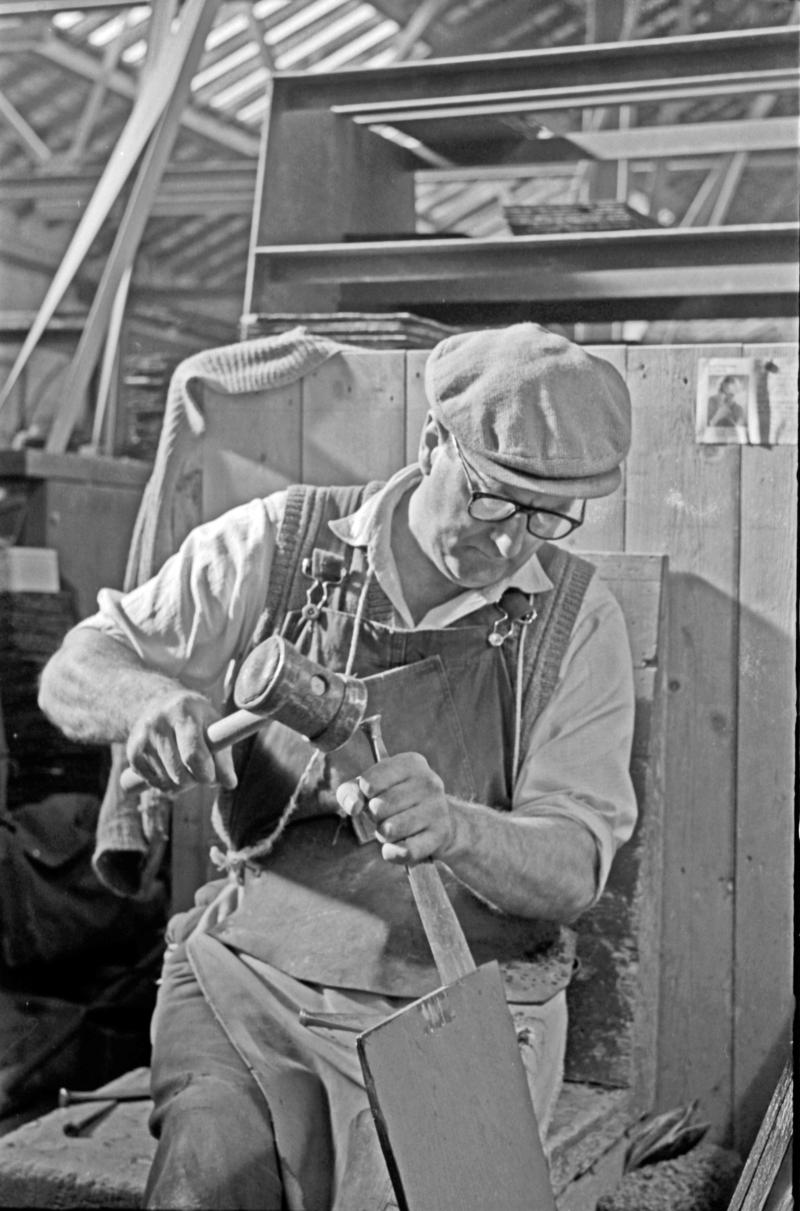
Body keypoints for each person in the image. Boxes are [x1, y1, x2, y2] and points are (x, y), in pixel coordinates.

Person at [39, 322, 637, 1211]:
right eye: (492, 501)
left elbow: (573, 870)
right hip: (254, 970)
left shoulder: (576, 622)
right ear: (434, 440)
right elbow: (78, 664)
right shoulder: (278, 543)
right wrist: (146, 705)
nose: (513, 543)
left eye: (548, 516)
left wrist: (460, 827)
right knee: (206, 1184)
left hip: (461, 994)